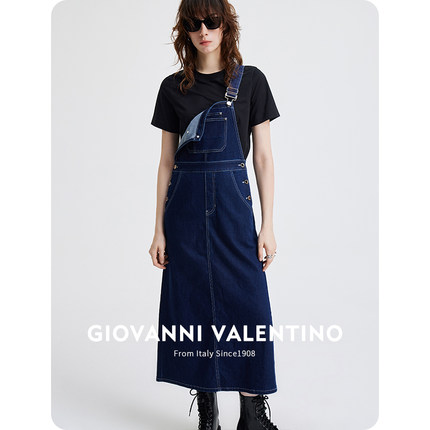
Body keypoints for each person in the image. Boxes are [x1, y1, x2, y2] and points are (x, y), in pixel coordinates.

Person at [149, 1, 281, 429]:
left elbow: (263, 157)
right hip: (184, 215)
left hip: (233, 212)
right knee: (192, 308)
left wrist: (268, 225)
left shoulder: (251, 81)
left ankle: (252, 415)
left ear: (226, 26)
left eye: (212, 22)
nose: (204, 30)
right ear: (185, 32)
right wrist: (158, 230)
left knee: (250, 309)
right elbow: (166, 162)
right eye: (194, 24)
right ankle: (209, 414)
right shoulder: (173, 88)